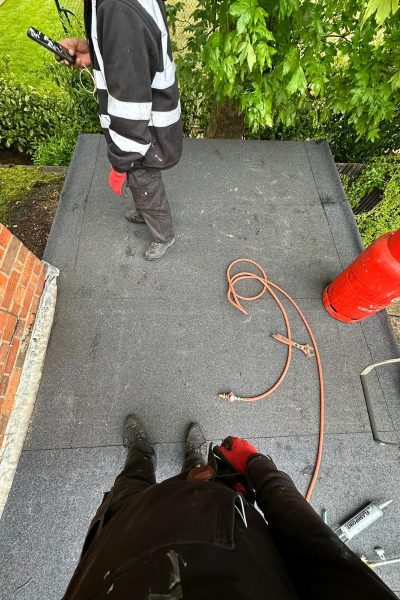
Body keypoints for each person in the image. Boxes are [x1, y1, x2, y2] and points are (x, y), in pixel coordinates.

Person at [63, 415, 397, 599]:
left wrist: (257, 464)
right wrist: (257, 466)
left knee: (132, 483)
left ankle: (142, 456)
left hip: (122, 538)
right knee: (202, 475)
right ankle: (191, 456)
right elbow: (316, 546)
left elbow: (315, 543)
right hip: (222, 519)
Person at [59, 0, 183, 260]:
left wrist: (121, 162)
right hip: (150, 113)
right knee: (140, 179)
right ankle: (145, 212)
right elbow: (134, 50)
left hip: (144, 125)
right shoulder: (118, 10)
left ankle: (164, 235)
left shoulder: (117, 9)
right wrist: (96, 51)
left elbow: (130, 103)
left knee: (143, 178)